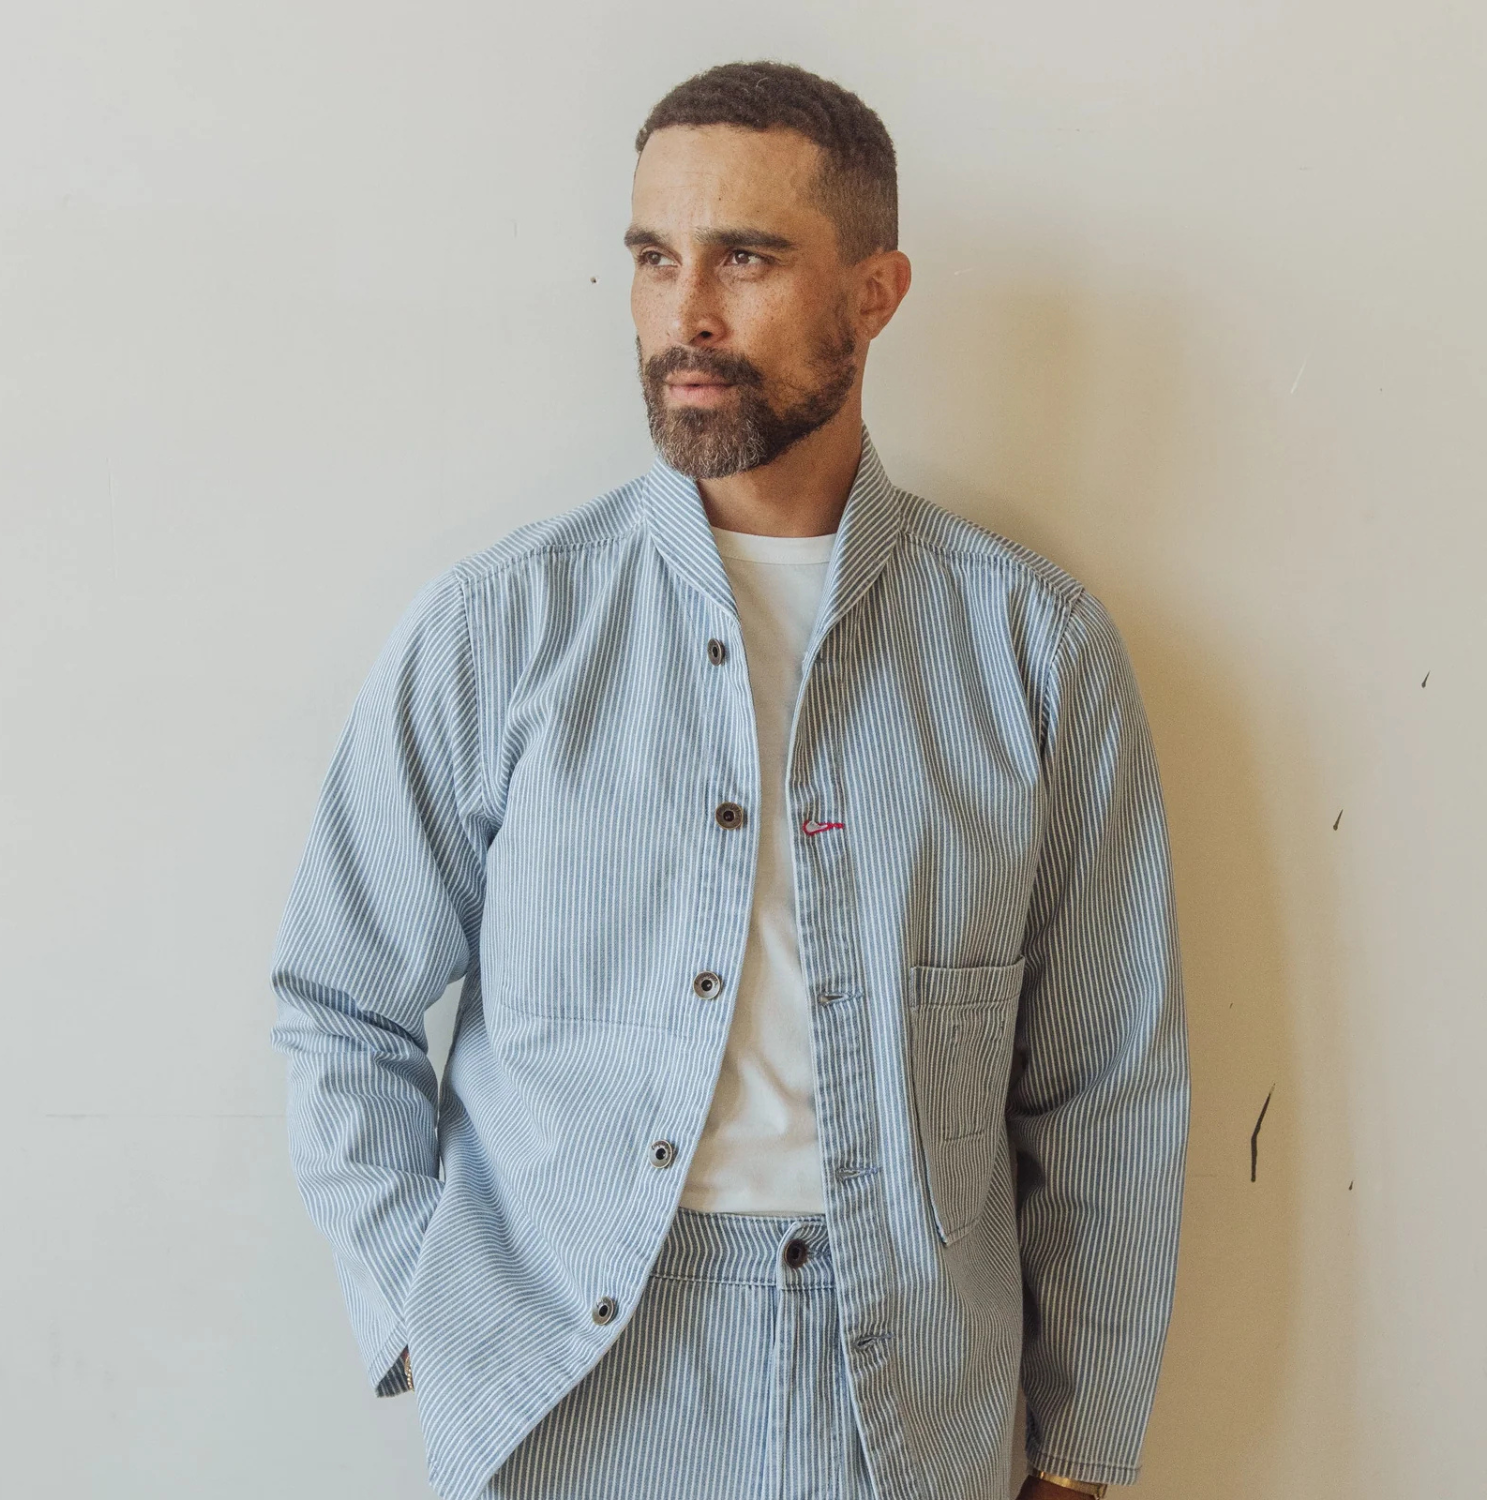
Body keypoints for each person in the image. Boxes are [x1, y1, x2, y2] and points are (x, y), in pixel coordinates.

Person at [270, 59, 1189, 1500]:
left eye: (745, 258)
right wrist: (422, 1318)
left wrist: (1078, 1453)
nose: (684, 313)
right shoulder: (502, 628)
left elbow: (1106, 1080)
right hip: (563, 1379)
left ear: (876, 293)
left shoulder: (1034, 653)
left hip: (907, 1395)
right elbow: (339, 999)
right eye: (653, 258)